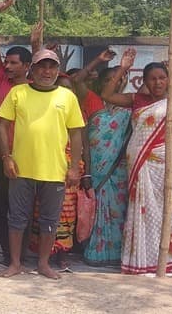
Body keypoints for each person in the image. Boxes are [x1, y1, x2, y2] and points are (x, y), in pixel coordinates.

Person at [102, 49, 172, 274]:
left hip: (166, 165)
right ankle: (140, 261)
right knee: (141, 211)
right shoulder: (137, 100)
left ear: (169, 80)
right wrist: (123, 69)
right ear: (144, 81)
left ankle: (164, 260)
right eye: (152, 79)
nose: (158, 83)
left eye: (162, 78)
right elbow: (107, 95)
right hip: (140, 166)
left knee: (167, 213)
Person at [0, 49, 85, 279]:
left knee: (49, 220)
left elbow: (76, 133)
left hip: (55, 170)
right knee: (17, 218)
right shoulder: (18, 92)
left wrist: (74, 166)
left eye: (52, 67)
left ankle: (43, 264)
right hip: (20, 168)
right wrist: (6, 157)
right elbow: (2, 125)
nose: (47, 72)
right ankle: (15, 263)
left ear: (58, 70)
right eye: (42, 67)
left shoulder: (67, 97)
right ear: (32, 70)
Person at [71, 52, 132, 266]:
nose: (116, 83)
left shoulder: (130, 104)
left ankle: (116, 254)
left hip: (120, 169)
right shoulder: (92, 100)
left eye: (120, 79)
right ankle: (95, 252)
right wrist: (98, 60)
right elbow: (77, 80)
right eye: (109, 80)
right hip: (96, 168)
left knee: (119, 210)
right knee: (95, 208)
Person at [0, 0, 32, 264]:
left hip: (26, 155)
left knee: (23, 208)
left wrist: (37, 46)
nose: (8, 66)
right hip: (2, 152)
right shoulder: (3, 79)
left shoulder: (35, 86)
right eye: (8, 62)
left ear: (27, 66)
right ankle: (7, 255)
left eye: (14, 63)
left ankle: (21, 255)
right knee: (2, 206)